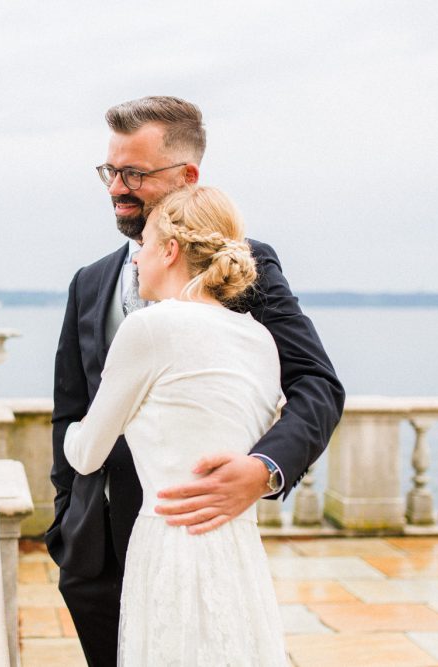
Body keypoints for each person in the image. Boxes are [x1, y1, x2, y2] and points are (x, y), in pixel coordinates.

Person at [46, 96, 344, 666]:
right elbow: (71, 406)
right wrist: (68, 524)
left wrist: (265, 468)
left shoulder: (246, 264)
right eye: (110, 171)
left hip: (197, 539)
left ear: (187, 176)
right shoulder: (90, 282)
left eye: (133, 173)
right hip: (96, 554)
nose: (116, 188)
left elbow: (316, 383)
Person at [64, 185, 287, 665]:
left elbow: (88, 454)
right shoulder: (261, 338)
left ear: (169, 250)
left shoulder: (149, 327)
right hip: (238, 548)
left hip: (169, 544)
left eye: (143, 245)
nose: (136, 259)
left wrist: (70, 431)